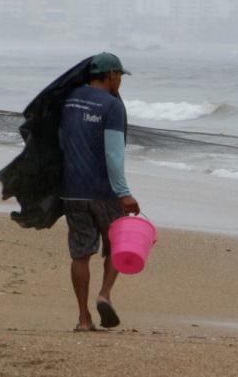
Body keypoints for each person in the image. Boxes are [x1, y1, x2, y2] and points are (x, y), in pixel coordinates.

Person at [59, 52, 140, 332]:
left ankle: (83, 319)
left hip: (72, 190)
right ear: (111, 75)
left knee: (80, 254)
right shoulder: (112, 106)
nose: (120, 82)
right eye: (119, 76)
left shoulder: (69, 99)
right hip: (104, 191)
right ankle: (104, 294)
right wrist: (123, 192)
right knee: (118, 244)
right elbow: (113, 154)